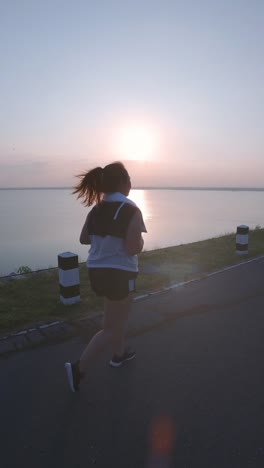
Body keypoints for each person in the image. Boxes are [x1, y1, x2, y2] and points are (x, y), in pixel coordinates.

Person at [65, 161, 147, 392]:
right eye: (129, 179)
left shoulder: (97, 209)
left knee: (113, 318)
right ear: (123, 183)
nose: (131, 183)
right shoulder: (131, 209)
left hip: (97, 271)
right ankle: (78, 369)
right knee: (112, 326)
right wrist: (140, 242)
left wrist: (105, 239)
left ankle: (119, 355)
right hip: (120, 273)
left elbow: (84, 238)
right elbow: (132, 248)